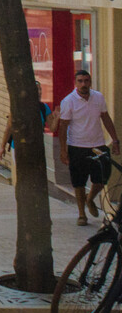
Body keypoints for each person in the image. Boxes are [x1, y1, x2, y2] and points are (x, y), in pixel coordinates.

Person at [58, 69, 120, 226]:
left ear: (90, 82)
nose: (83, 84)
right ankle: (81, 214)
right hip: (77, 146)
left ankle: (90, 198)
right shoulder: (68, 101)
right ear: (75, 82)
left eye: (86, 81)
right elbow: (63, 126)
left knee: (101, 179)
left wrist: (115, 140)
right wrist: (63, 150)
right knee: (78, 182)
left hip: (97, 145)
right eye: (80, 81)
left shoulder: (98, 97)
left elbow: (105, 118)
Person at [0, 81, 52, 164]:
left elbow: (52, 127)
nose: (39, 92)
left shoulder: (44, 108)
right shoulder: (18, 108)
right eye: (36, 90)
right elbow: (9, 128)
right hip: (19, 147)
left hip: (37, 147)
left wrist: (58, 118)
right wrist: (2, 147)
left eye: (40, 89)